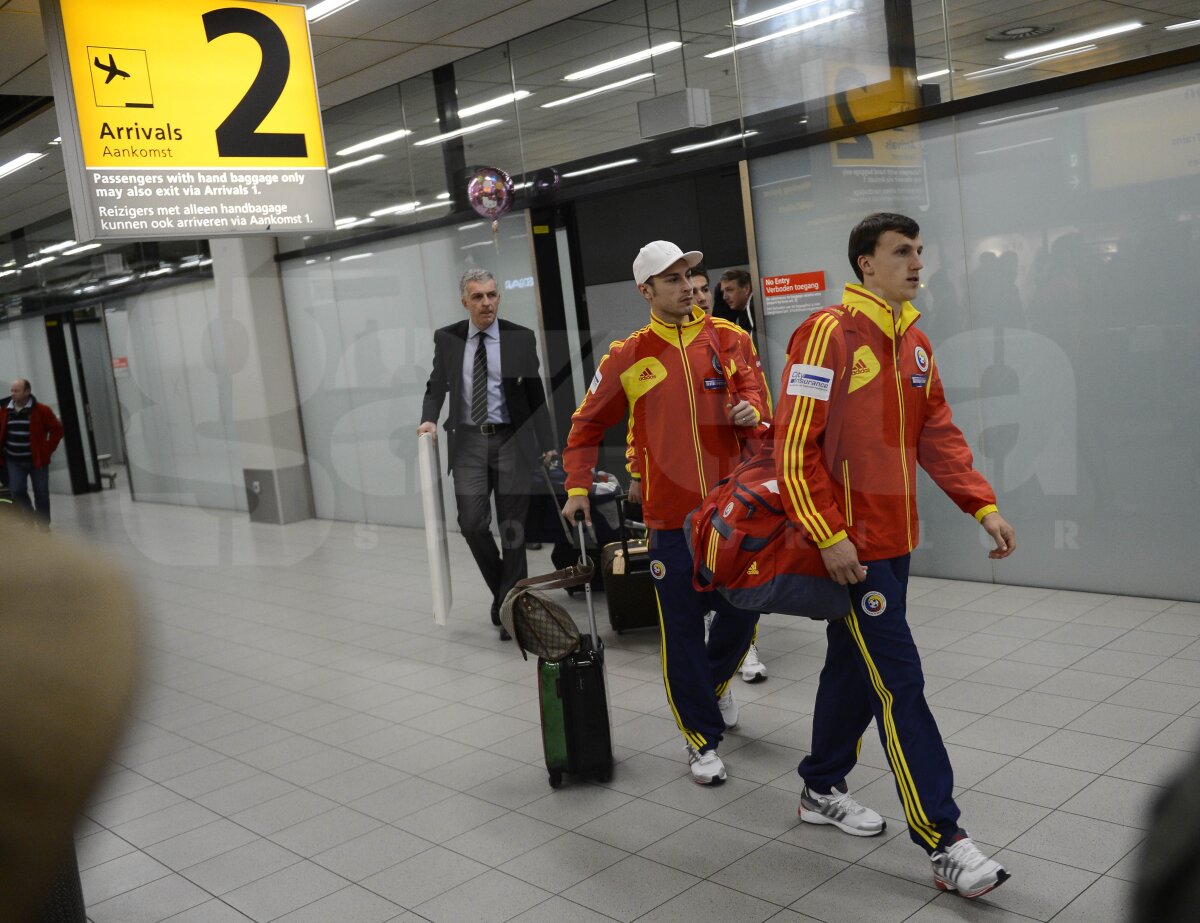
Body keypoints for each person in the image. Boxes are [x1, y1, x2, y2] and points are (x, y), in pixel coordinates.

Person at [773, 213, 1017, 898]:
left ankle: (820, 784)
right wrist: (828, 532)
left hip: (893, 541)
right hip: (852, 547)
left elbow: (937, 431)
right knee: (899, 682)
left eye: (919, 251)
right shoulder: (826, 333)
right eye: (902, 252)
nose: (916, 263)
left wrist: (981, 504)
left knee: (854, 666)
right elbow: (792, 446)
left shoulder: (914, 342)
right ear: (865, 263)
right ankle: (946, 841)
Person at [561, 240, 768, 784]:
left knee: (744, 613)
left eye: (687, 276)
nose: (685, 287)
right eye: (671, 279)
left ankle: (712, 685)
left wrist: (752, 412)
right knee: (680, 629)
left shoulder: (729, 339)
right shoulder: (627, 355)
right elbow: (586, 424)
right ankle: (700, 740)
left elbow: (761, 405)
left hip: (734, 513)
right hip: (668, 520)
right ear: (646, 290)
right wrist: (577, 487)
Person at [418, 269, 557, 640]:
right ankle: (506, 595)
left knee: (513, 529)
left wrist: (547, 442)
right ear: (465, 301)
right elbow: (436, 384)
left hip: (512, 440)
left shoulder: (519, 337)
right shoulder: (448, 338)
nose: (487, 303)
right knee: (472, 524)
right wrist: (429, 419)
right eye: (478, 296)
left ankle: (511, 612)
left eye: (492, 295)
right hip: (468, 443)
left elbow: (534, 393)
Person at [686, 264, 770, 684]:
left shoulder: (734, 336)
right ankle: (711, 648)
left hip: (735, 469)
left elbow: (759, 396)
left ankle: (743, 649)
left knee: (740, 562)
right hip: (686, 475)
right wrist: (636, 469)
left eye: (705, 289)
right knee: (699, 567)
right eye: (693, 288)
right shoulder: (653, 347)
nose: (700, 296)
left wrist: (753, 412)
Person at [0, 378, 64, 529]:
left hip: (37, 460)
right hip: (14, 460)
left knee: (41, 493)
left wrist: (47, 449)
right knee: (16, 491)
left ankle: (43, 524)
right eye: (12, 391)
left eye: (17, 391)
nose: (13, 394)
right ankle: (30, 516)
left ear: (27, 392)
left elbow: (57, 430)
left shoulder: (41, 410)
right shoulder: (4, 411)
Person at [717, 268, 756, 338]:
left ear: (746, 289)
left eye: (729, 290)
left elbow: (755, 343)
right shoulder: (745, 310)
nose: (724, 297)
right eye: (723, 292)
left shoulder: (752, 307)